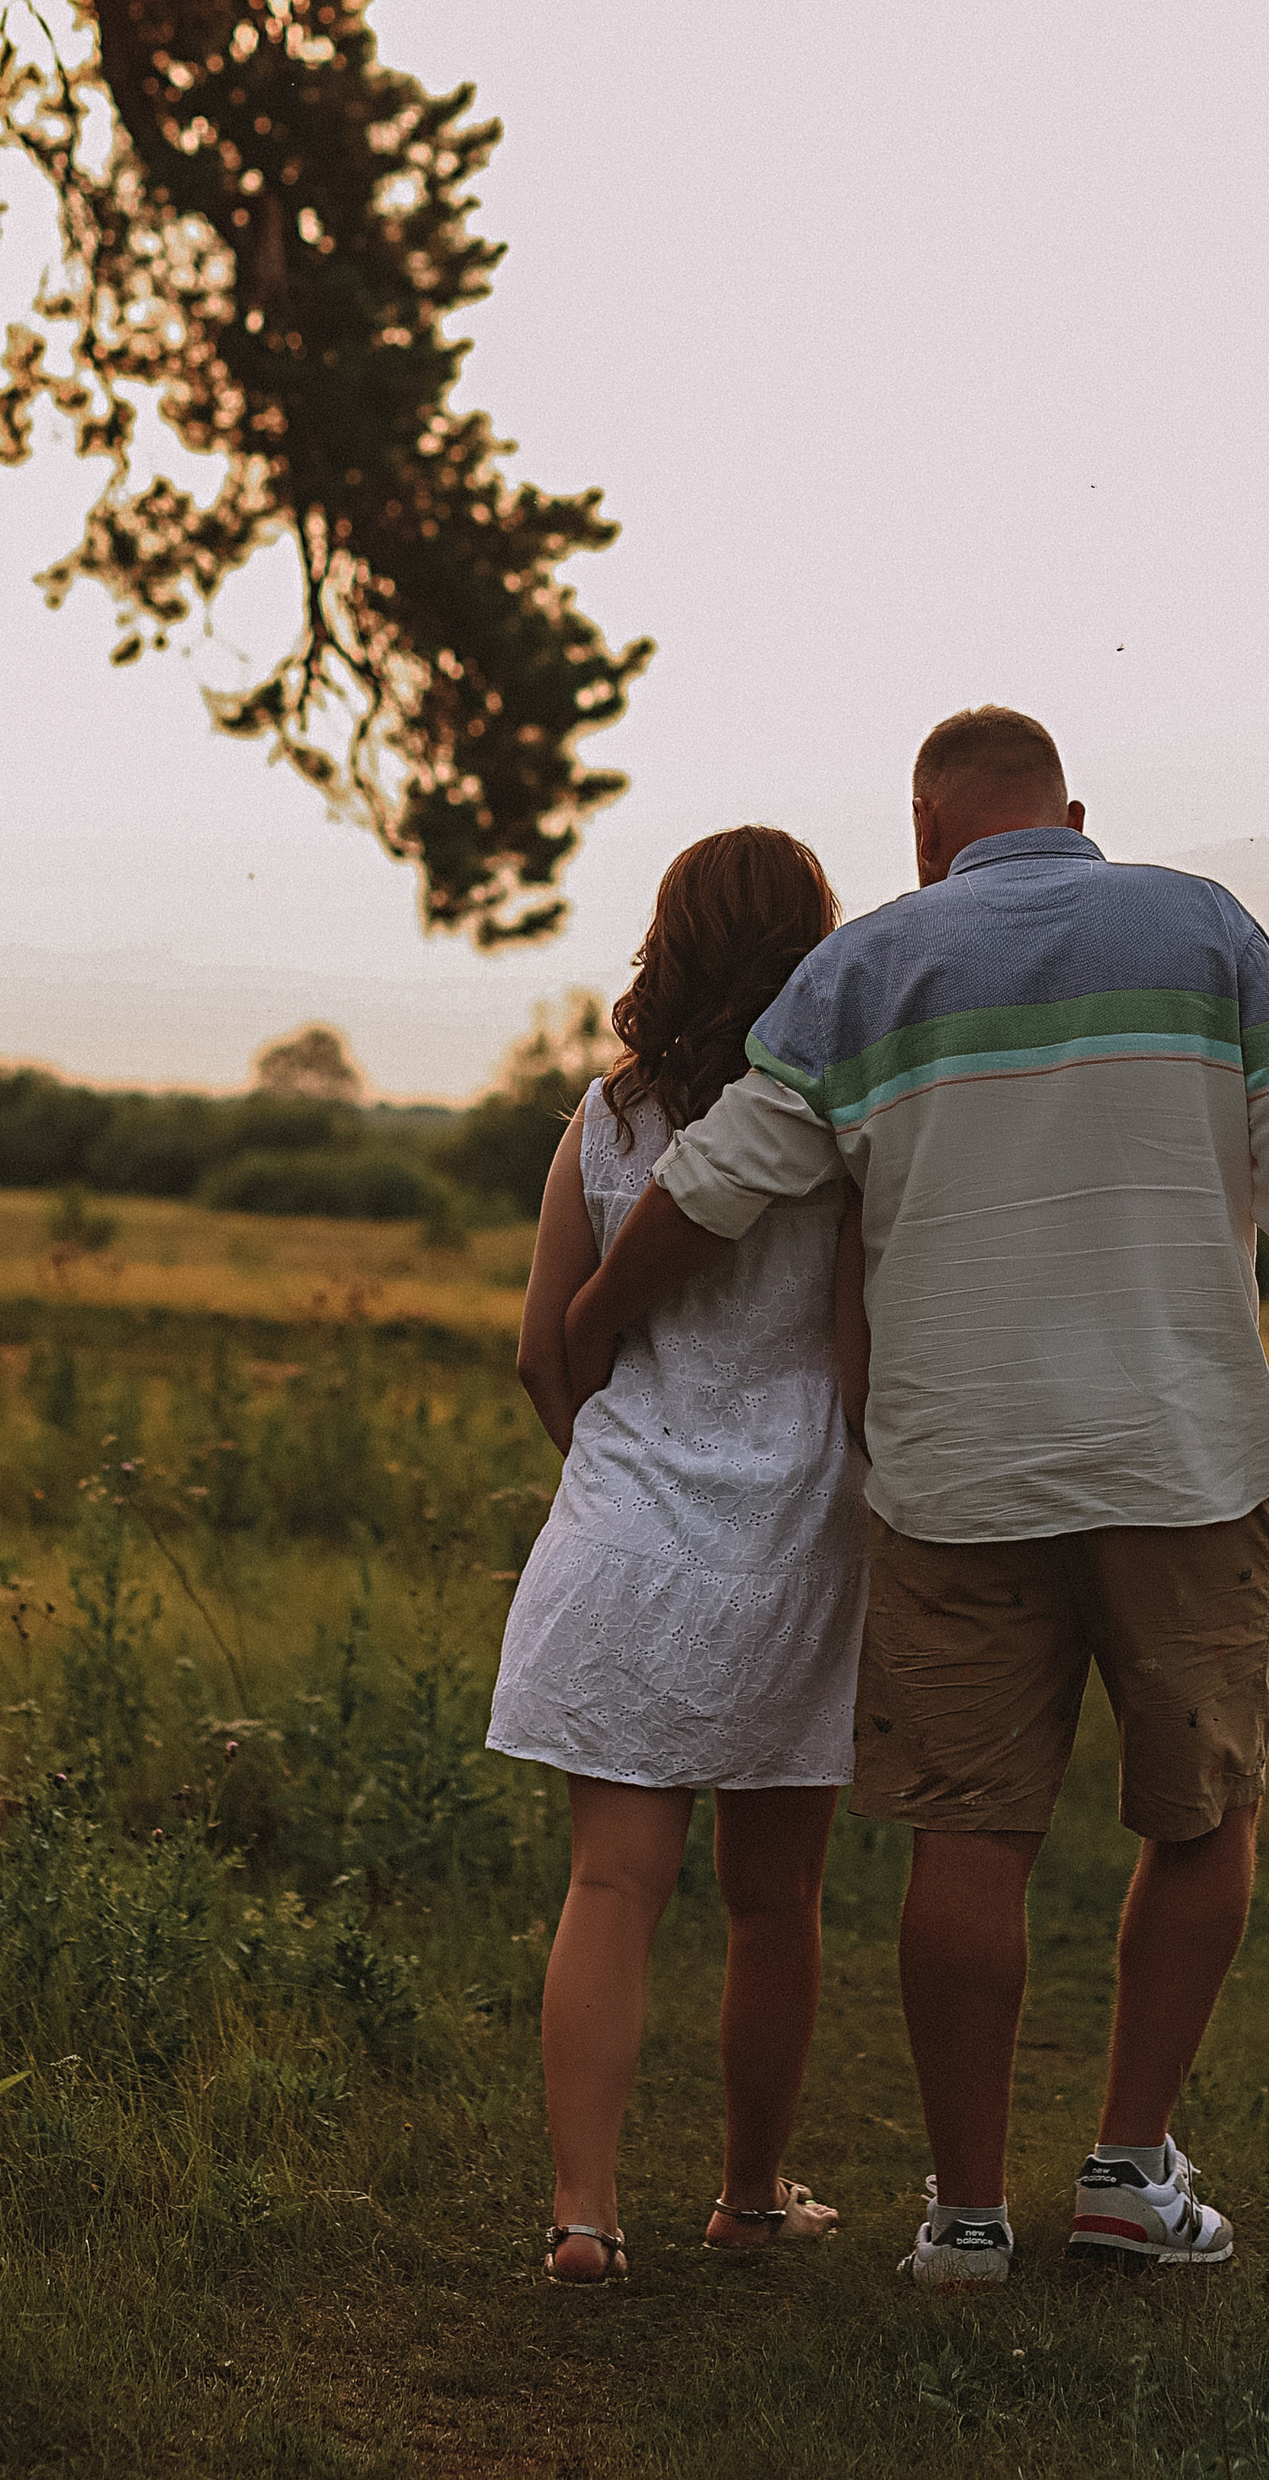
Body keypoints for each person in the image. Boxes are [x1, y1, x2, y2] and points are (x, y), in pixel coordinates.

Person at [565, 707, 1269, 2287]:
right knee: (1203, 1810)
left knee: (973, 1834)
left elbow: (722, 1179)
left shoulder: (875, 962)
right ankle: (1126, 2172)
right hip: (1182, 1464)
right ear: (1074, 811)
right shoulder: (1206, 925)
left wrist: (596, 1319)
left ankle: (961, 2217)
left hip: (957, 1477)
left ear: (928, 834)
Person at [490, 825, 870, 2285]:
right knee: (775, 1904)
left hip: (626, 1526)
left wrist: (615, 1481)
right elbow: (853, 1362)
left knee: (609, 1889)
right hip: (794, 1532)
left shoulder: (602, 1120)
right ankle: (750, 2196)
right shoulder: (839, 1131)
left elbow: (544, 1353)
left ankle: (585, 2216)